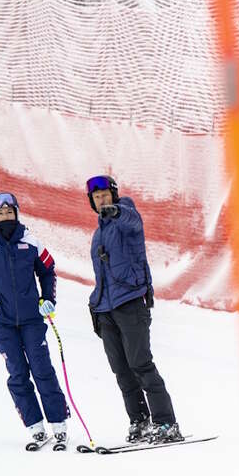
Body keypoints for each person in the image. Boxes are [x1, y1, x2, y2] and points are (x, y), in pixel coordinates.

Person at [0, 192, 69, 446]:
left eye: (9, 212)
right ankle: (35, 426)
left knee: (42, 369)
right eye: (0, 213)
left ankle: (59, 423)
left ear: (16, 214)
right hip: (2, 323)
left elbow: (48, 270)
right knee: (18, 373)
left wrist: (48, 299)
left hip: (32, 319)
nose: (5, 217)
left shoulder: (31, 242)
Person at [85, 175, 182, 444]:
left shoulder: (126, 217)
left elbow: (133, 221)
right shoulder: (98, 234)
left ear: (114, 196)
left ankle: (165, 423)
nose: (101, 200)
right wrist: (96, 306)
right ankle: (139, 421)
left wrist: (117, 211)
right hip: (106, 308)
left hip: (130, 302)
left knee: (141, 364)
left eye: (105, 195)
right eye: (96, 197)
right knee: (121, 370)